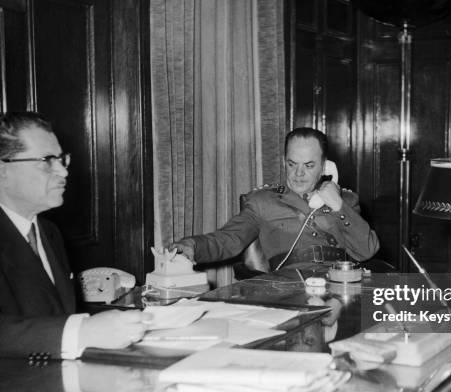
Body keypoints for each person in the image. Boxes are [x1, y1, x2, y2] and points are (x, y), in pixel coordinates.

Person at [0, 112, 150, 359]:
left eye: (62, 160)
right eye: (47, 161)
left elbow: (55, 317)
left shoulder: (49, 233)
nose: (63, 172)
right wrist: (83, 332)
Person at [171, 127, 380, 270]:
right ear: (284, 162)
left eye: (308, 166)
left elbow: (367, 251)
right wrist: (192, 246)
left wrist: (338, 206)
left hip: (339, 284)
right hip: (290, 287)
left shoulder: (346, 200)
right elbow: (229, 239)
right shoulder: (263, 201)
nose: (298, 174)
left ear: (325, 166)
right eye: (292, 164)